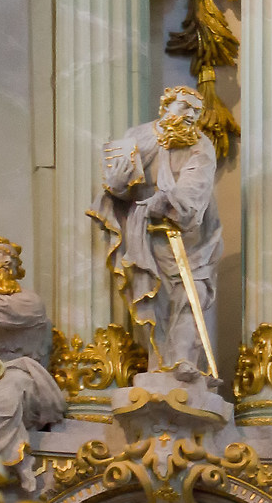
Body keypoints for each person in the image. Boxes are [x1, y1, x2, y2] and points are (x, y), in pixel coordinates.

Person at [95, 86, 223, 375]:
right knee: (157, 297)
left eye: (196, 111)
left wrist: (166, 201)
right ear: (166, 106)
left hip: (194, 235)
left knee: (195, 293)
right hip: (148, 233)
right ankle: (161, 362)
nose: (191, 115)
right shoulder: (137, 138)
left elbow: (196, 186)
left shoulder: (200, 145)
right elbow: (120, 186)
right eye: (185, 107)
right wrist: (117, 184)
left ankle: (184, 360)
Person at [0, 229, 66, 474]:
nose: (8, 261)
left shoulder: (28, 302)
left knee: (3, 397)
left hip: (18, 371)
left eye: (13, 259)